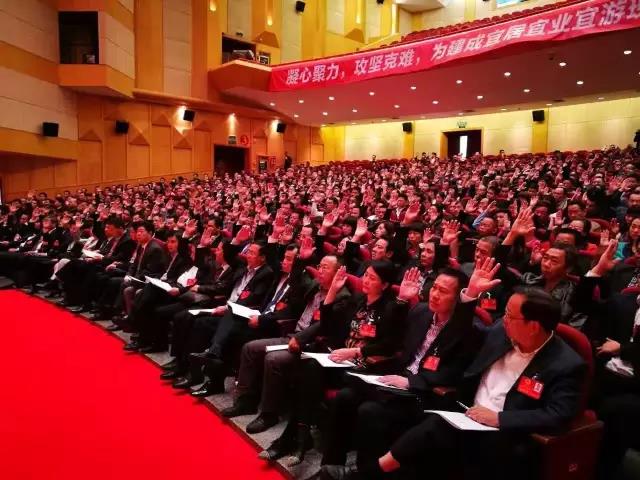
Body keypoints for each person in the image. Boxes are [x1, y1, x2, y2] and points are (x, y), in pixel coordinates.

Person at [321, 287, 587, 480]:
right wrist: (470, 296)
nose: (503, 319)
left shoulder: (565, 363)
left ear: (533, 326)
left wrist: (499, 419)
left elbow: (558, 414)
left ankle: (364, 474)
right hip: (466, 411)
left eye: (509, 315)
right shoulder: (500, 332)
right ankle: (368, 472)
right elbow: (461, 333)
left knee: (437, 429)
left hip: (505, 431)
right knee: (407, 418)